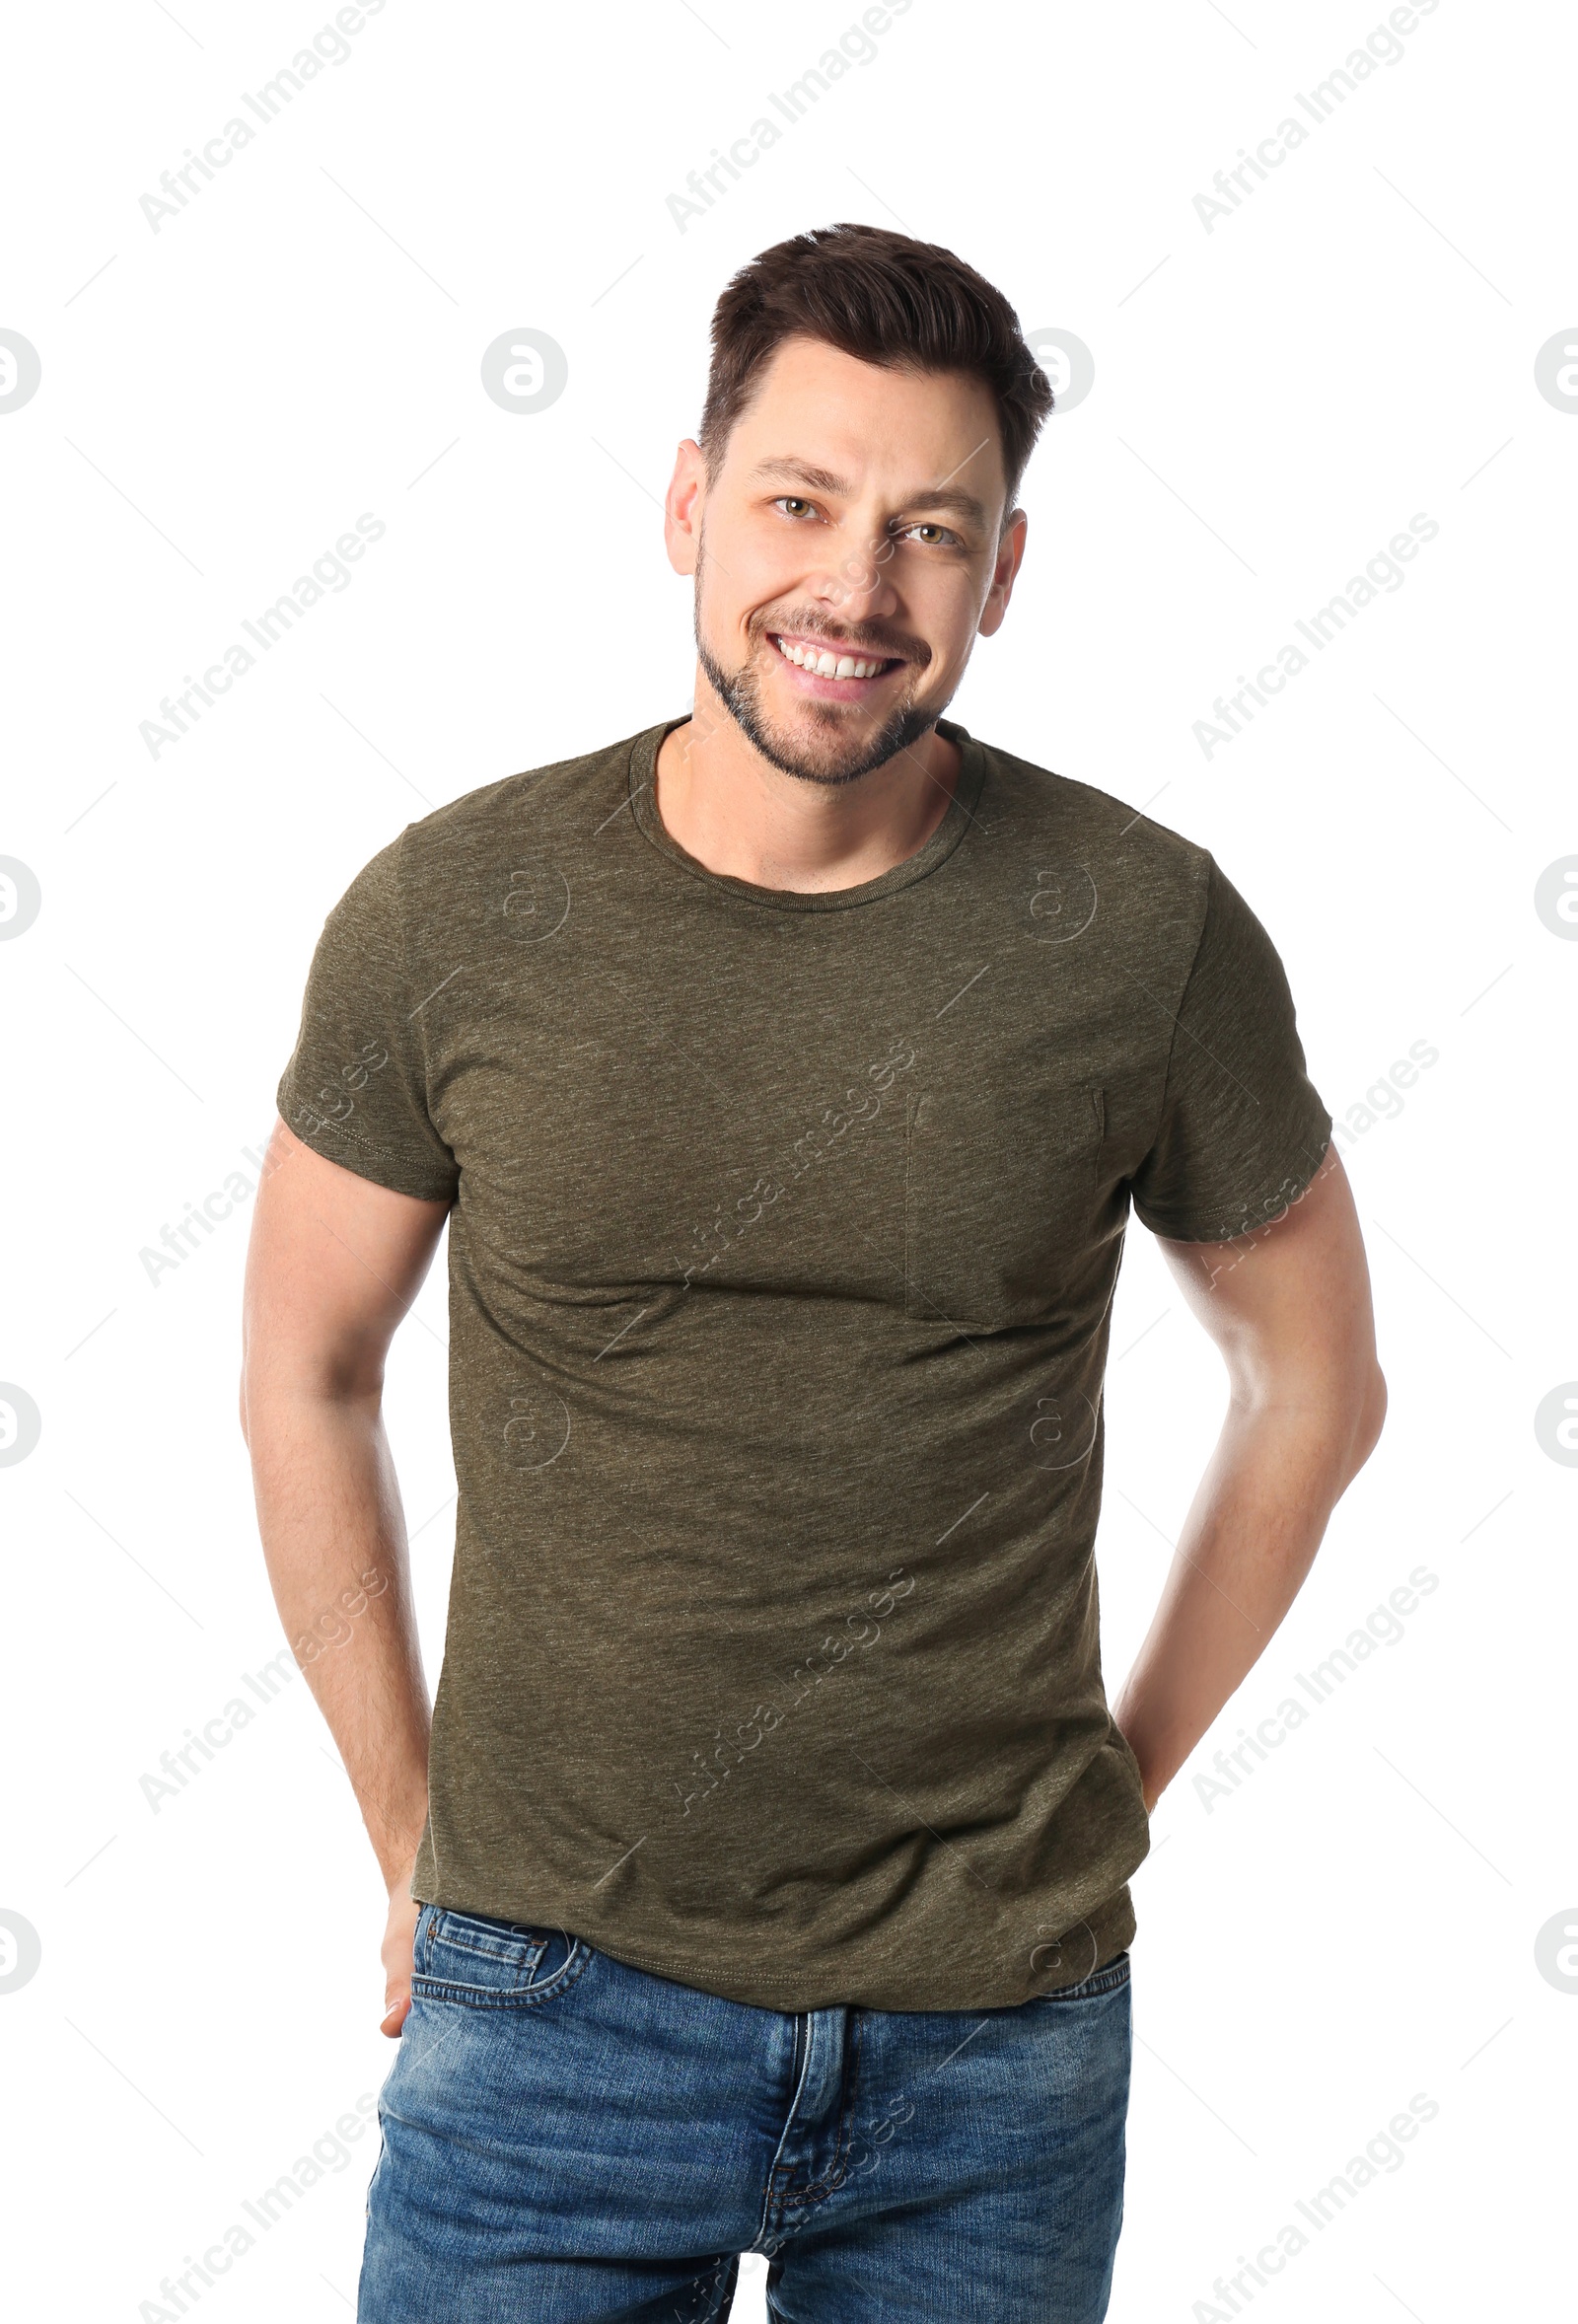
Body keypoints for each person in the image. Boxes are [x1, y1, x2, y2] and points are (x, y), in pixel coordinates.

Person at [240, 222, 1386, 2324]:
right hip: (548, 2018)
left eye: (927, 532)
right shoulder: (447, 915)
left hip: (994, 2050)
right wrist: (406, 1819)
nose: (853, 591)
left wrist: (1116, 1787)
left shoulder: (1141, 933)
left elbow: (1315, 1383)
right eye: (795, 502)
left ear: (999, 573)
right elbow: (306, 1365)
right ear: (686, 505)